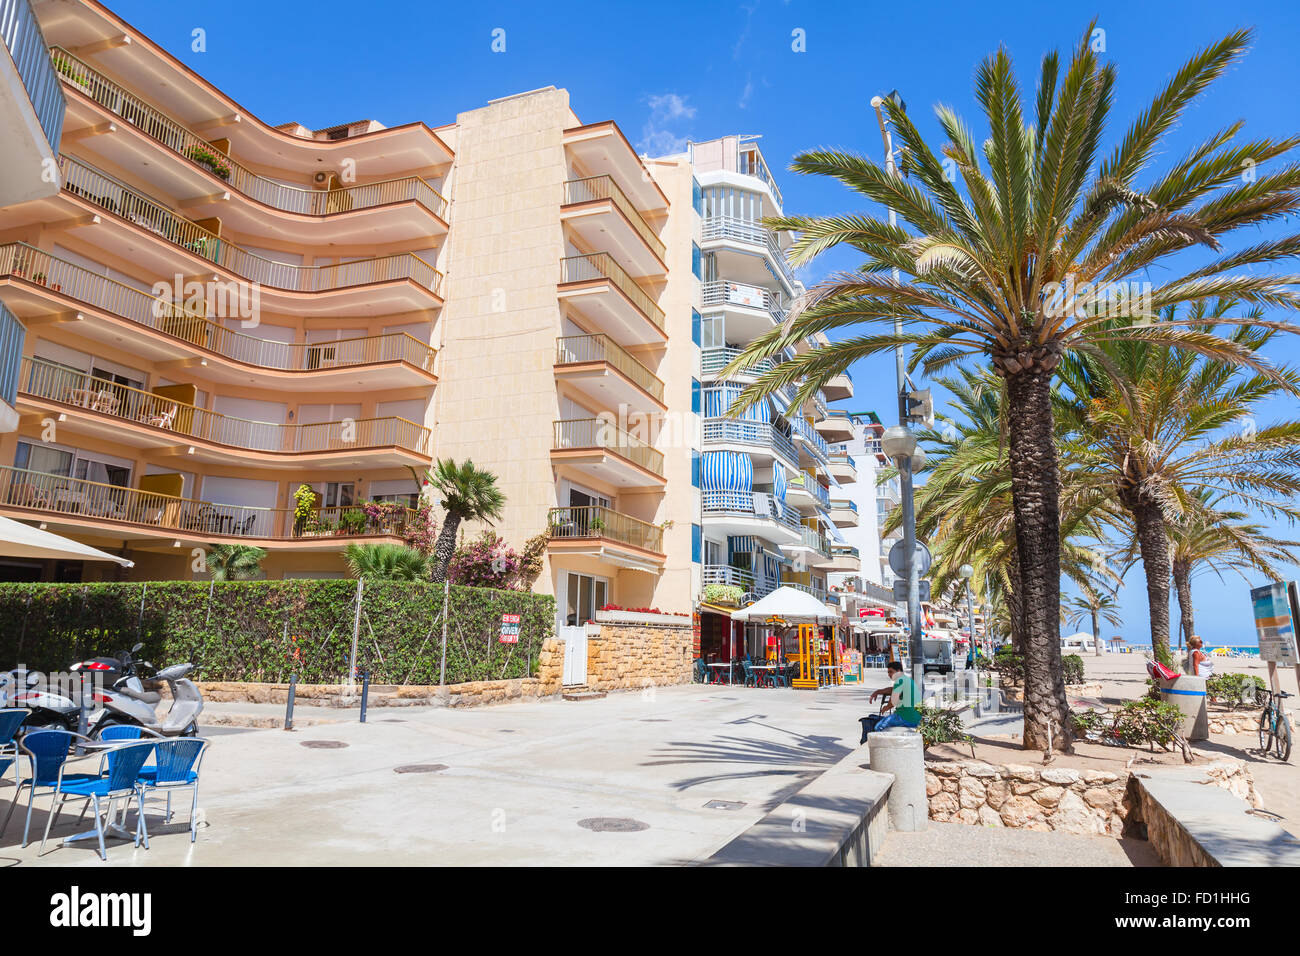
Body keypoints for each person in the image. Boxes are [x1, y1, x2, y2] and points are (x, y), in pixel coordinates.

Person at [858, 661, 922, 742]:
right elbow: (892, 690)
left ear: (898, 671)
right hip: (915, 718)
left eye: (891, 672)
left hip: (906, 717)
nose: (889, 674)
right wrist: (878, 691)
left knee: (878, 727)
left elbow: (893, 701)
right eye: (888, 672)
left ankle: (879, 747)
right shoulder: (906, 680)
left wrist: (886, 708)